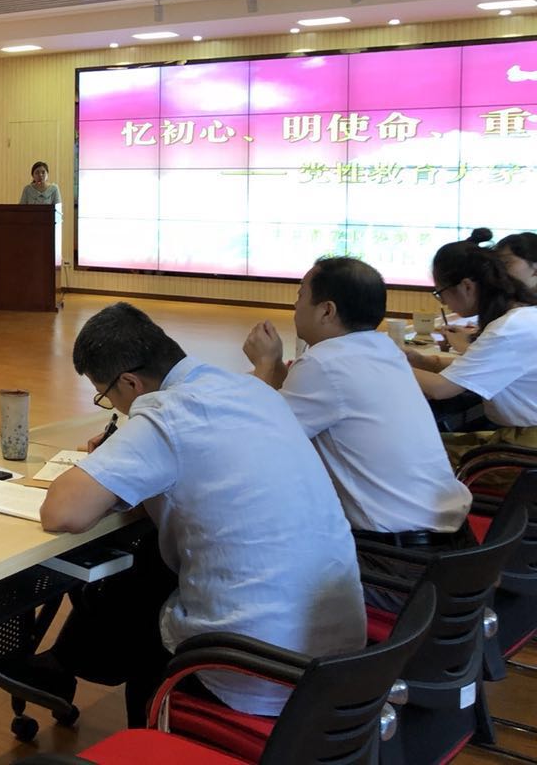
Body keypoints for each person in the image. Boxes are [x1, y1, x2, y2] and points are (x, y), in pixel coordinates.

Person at [36, 302, 363, 726]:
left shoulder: (167, 414)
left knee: (143, 622)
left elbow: (62, 512)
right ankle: (67, 663)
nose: (113, 407)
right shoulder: (251, 390)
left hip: (256, 669)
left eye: (106, 396)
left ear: (130, 382)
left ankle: (144, 732)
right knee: (153, 564)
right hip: (342, 658)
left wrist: (112, 458)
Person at [244, 257, 471, 544]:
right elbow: (298, 402)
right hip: (454, 541)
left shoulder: (324, 363)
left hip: (392, 553)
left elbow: (258, 442)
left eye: (300, 295)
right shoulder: (382, 348)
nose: (295, 306)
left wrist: (265, 365)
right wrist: (276, 364)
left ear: (327, 310)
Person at [405, 231, 537, 460]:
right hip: (519, 438)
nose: (444, 303)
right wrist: (424, 361)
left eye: (440, 293)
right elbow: (482, 371)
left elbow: (440, 389)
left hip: (525, 449)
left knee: (411, 453)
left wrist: (386, 359)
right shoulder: (522, 316)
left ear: (466, 286)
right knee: (419, 445)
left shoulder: (509, 328)